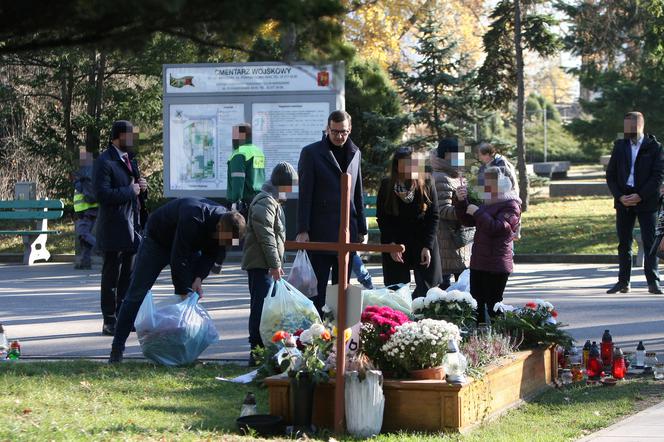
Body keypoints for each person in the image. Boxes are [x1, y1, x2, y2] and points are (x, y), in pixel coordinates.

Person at [108, 197, 246, 363]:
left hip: (187, 247)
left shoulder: (227, 224)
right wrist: (182, 291)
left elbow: (211, 253)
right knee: (136, 294)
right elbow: (178, 259)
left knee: (187, 303)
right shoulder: (193, 216)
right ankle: (117, 349)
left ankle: (179, 352)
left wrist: (198, 278)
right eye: (226, 240)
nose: (227, 245)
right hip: (157, 241)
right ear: (218, 227)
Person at [296, 110, 368, 311]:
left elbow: (358, 192)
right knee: (316, 288)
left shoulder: (355, 152)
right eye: (335, 131)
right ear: (327, 129)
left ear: (350, 129)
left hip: (347, 230)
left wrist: (361, 227)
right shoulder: (311, 153)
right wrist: (303, 229)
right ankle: (315, 334)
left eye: (343, 132)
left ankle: (339, 333)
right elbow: (305, 194)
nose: (339, 136)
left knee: (342, 288)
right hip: (320, 231)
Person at [93, 120, 148, 336]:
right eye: (129, 135)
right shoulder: (105, 161)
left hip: (132, 226)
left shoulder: (129, 159)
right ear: (118, 137)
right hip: (114, 227)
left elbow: (135, 191)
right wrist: (130, 190)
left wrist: (142, 188)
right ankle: (109, 320)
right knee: (111, 276)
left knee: (128, 274)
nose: (133, 139)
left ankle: (123, 316)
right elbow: (102, 195)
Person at [241, 162, 297, 365]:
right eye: (290, 186)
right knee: (260, 309)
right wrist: (274, 264)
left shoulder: (273, 201)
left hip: (265, 264)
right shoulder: (265, 202)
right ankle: (256, 352)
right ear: (283, 184)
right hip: (261, 265)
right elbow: (266, 235)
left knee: (266, 309)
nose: (291, 191)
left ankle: (264, 349)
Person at [606, 112, 664, 294]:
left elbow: (658, 176)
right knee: (624, 242)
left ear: (640, 125)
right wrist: (620, 196)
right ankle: (623, 282)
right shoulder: (619, 146)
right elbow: (611, 175)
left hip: (646, 201)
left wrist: (640, 195)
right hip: (624, 200)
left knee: (649, 242)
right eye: (626, 127)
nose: (628, 130)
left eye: (631, 126)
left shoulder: (655, 147)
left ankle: (653, 282)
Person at [455, 166, 521, 322]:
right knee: (476, 305)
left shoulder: (511, 205)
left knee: (493, 306)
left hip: (496, 264)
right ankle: (479, 341)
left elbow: (498, 228)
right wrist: (461, 201)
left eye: (490, 182)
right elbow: (467, 220)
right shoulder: (487, 202)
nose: (485, 186)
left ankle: (501, 341)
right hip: (479, 261)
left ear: (503, 184)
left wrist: (477, 212)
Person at [377, 147, 442, 297]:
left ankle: (425, 317)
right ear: (397, 166)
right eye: (405, 163)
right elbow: (383, 219)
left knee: (427, 290)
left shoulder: (426, 182)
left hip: (422, 240)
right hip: (397, 242)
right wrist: (391, 245)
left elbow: (434, 215)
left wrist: (427, 246)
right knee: (397, 291)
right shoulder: (387, 185)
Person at [430, 137, 471, 289]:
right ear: (447, 154)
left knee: (463, 289)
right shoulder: (440, 177)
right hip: (445, 241)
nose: (460, 158)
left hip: (459, 240)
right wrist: (466, 212)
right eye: (457, 154)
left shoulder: (456, 175)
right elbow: (441, 209)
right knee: (445, 289)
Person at [227, 123, 265, 217]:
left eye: (235, 135)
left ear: (241, 136)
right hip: (259, 200)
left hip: (243, 205)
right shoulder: (258, 152)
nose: (233, 139)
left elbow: (238, 180)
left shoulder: (239, 154)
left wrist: (235, 202)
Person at [73, 148, 98, 270]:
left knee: (83, 234)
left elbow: (83, 189)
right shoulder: (91, 169)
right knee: (84, 237)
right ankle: (85, 261)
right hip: (90, 208)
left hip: (87, 209)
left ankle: (101, 248)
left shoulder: (85, 171)